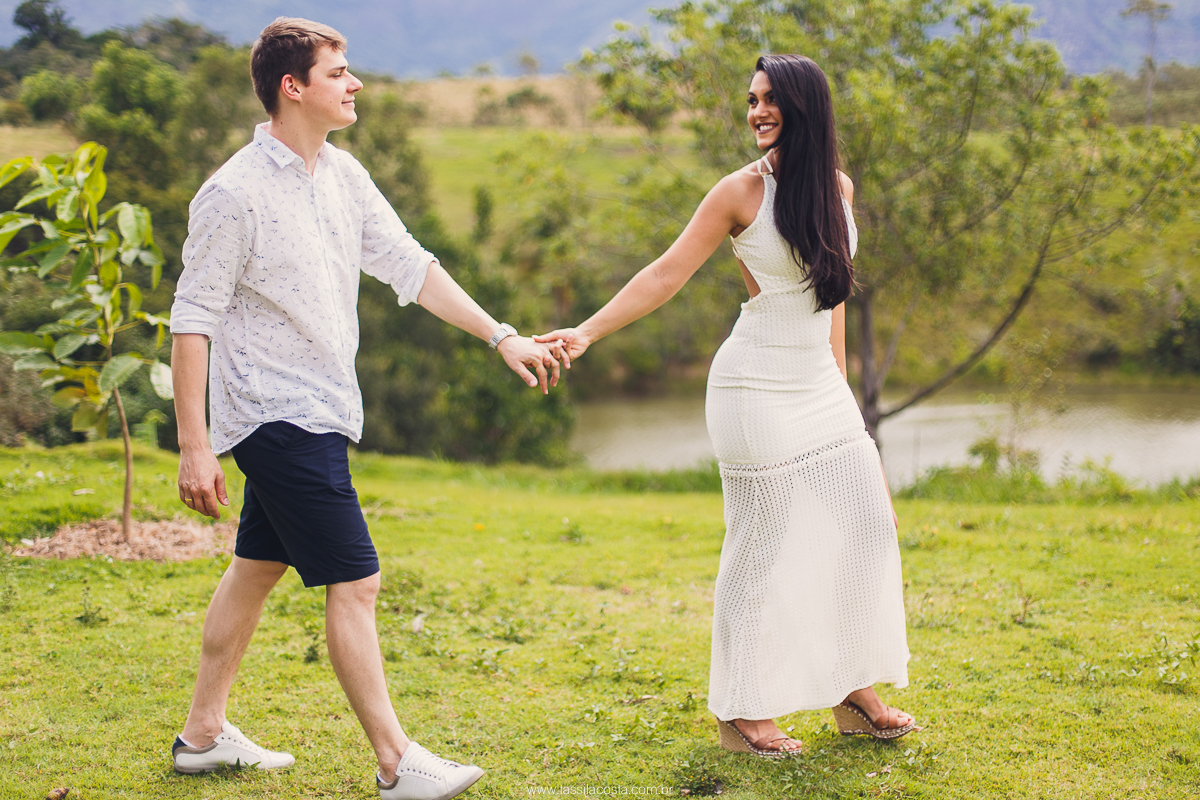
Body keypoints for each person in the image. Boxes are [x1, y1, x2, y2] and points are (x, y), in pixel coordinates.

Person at [168, 17, 560, 799]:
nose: (354, 85)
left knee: (255, 569)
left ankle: (202, 735)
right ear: (294, 87)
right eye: (339, 72)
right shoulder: (232, 194)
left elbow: (410, 266)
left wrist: (501, 335)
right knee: (358, 582)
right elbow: (192, 319)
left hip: (322, 406)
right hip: (275, 416)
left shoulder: (342, 175)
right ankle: (395, 761)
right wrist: (194, 444)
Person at [535, 54, 914, 756]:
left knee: (866, 525)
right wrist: (586, 332)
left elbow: (829, 302)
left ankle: (853, 691)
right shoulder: (739, 192)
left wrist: (852, 419)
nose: (757, 111)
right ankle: (741, 712)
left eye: (770, 99)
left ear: (806, 106)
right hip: (753, 388)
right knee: (762, 546)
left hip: (819, 386)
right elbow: (666, 273)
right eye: (751, 100)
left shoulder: (838, 188)